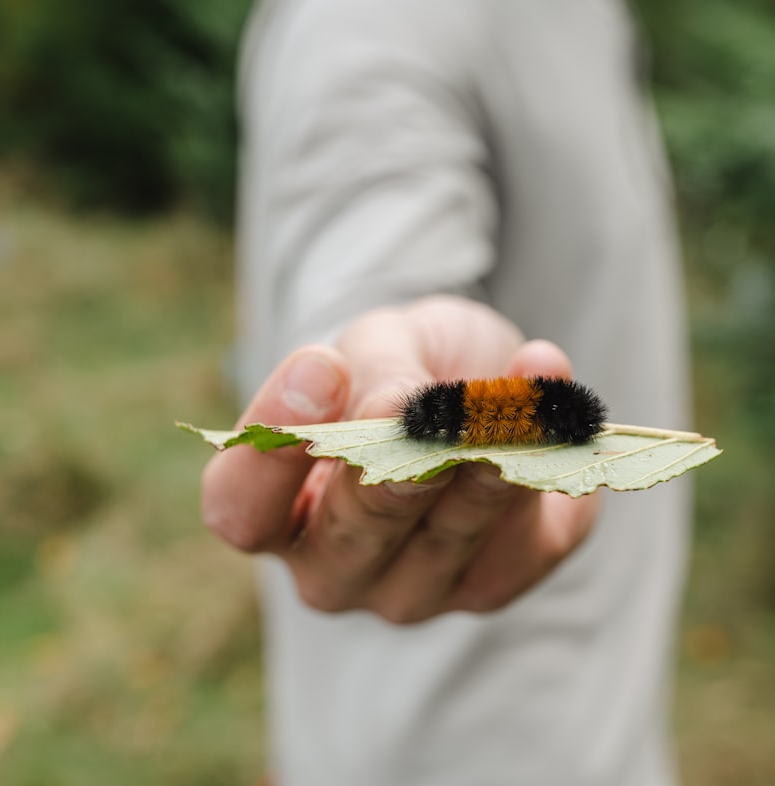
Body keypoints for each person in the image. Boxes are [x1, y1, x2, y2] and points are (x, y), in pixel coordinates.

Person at [201, 0, 692, 783]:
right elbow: (371, 236)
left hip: (600, 731)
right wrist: (380, 353)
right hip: (456, 749)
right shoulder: (372, 23)